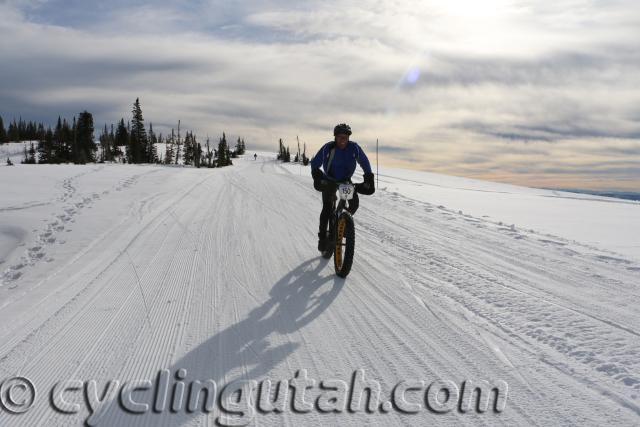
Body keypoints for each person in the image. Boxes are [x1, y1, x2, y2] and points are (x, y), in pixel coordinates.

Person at [310, 123, 375, 251]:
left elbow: (364, 160)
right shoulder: (328, 148)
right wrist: (316, 174)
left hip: (345, 181)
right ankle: (322, 237)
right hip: (329, 180)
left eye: (345, 137)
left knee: (353, 204)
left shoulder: (354, 148)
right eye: (340, 137)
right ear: (335, 137)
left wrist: (368, 175)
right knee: (328, 208)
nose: (343, 140)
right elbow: (315, 163)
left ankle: (343, 225)